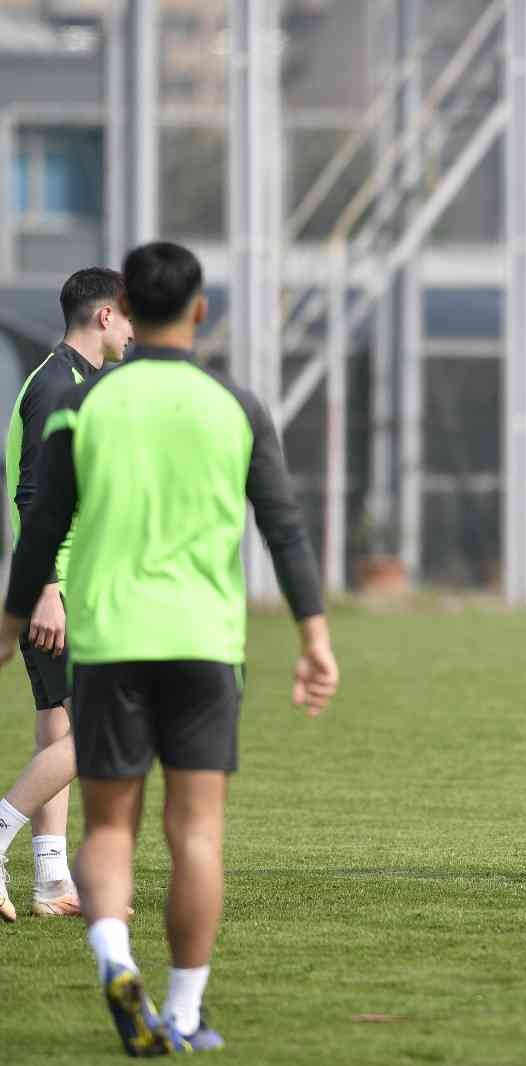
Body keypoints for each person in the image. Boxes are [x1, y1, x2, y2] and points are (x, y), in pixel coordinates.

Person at [0, 241, 340, 1054]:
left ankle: (114, 955)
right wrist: (314, 635)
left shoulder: (91, 407)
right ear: (198, 311)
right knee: (195, 835)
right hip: (205, 639)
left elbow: (42, 520)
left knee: (110, 825)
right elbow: (285, 528)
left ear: (129, 312)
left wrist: (13, 622)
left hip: (114, 634)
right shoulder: (236, 405)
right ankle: (185, 1012)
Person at [0, 267, 133, 923]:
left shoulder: (75, 380)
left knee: (60, 724)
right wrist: (48, 589)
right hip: (61, 588)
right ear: (105, 316)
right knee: (103, 731)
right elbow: (33, 496)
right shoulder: (56, 386)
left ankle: (51, 881)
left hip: (74, 584)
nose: (135, 333)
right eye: (130, 318)